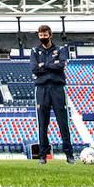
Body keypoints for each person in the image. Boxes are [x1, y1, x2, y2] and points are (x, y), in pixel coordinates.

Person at [31, 24, 75, 164]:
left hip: (57, 88)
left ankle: (69, 155)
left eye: (45, 35)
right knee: (43, 124)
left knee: (63, 122)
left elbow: (61, 66)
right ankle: (43, 156)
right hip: (41, 88)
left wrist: (43, 65)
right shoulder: (34, 51)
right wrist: (51, 65)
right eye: (40, 35)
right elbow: (34, 68)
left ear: (50, 35)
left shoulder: (60, 49)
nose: (43, 37)